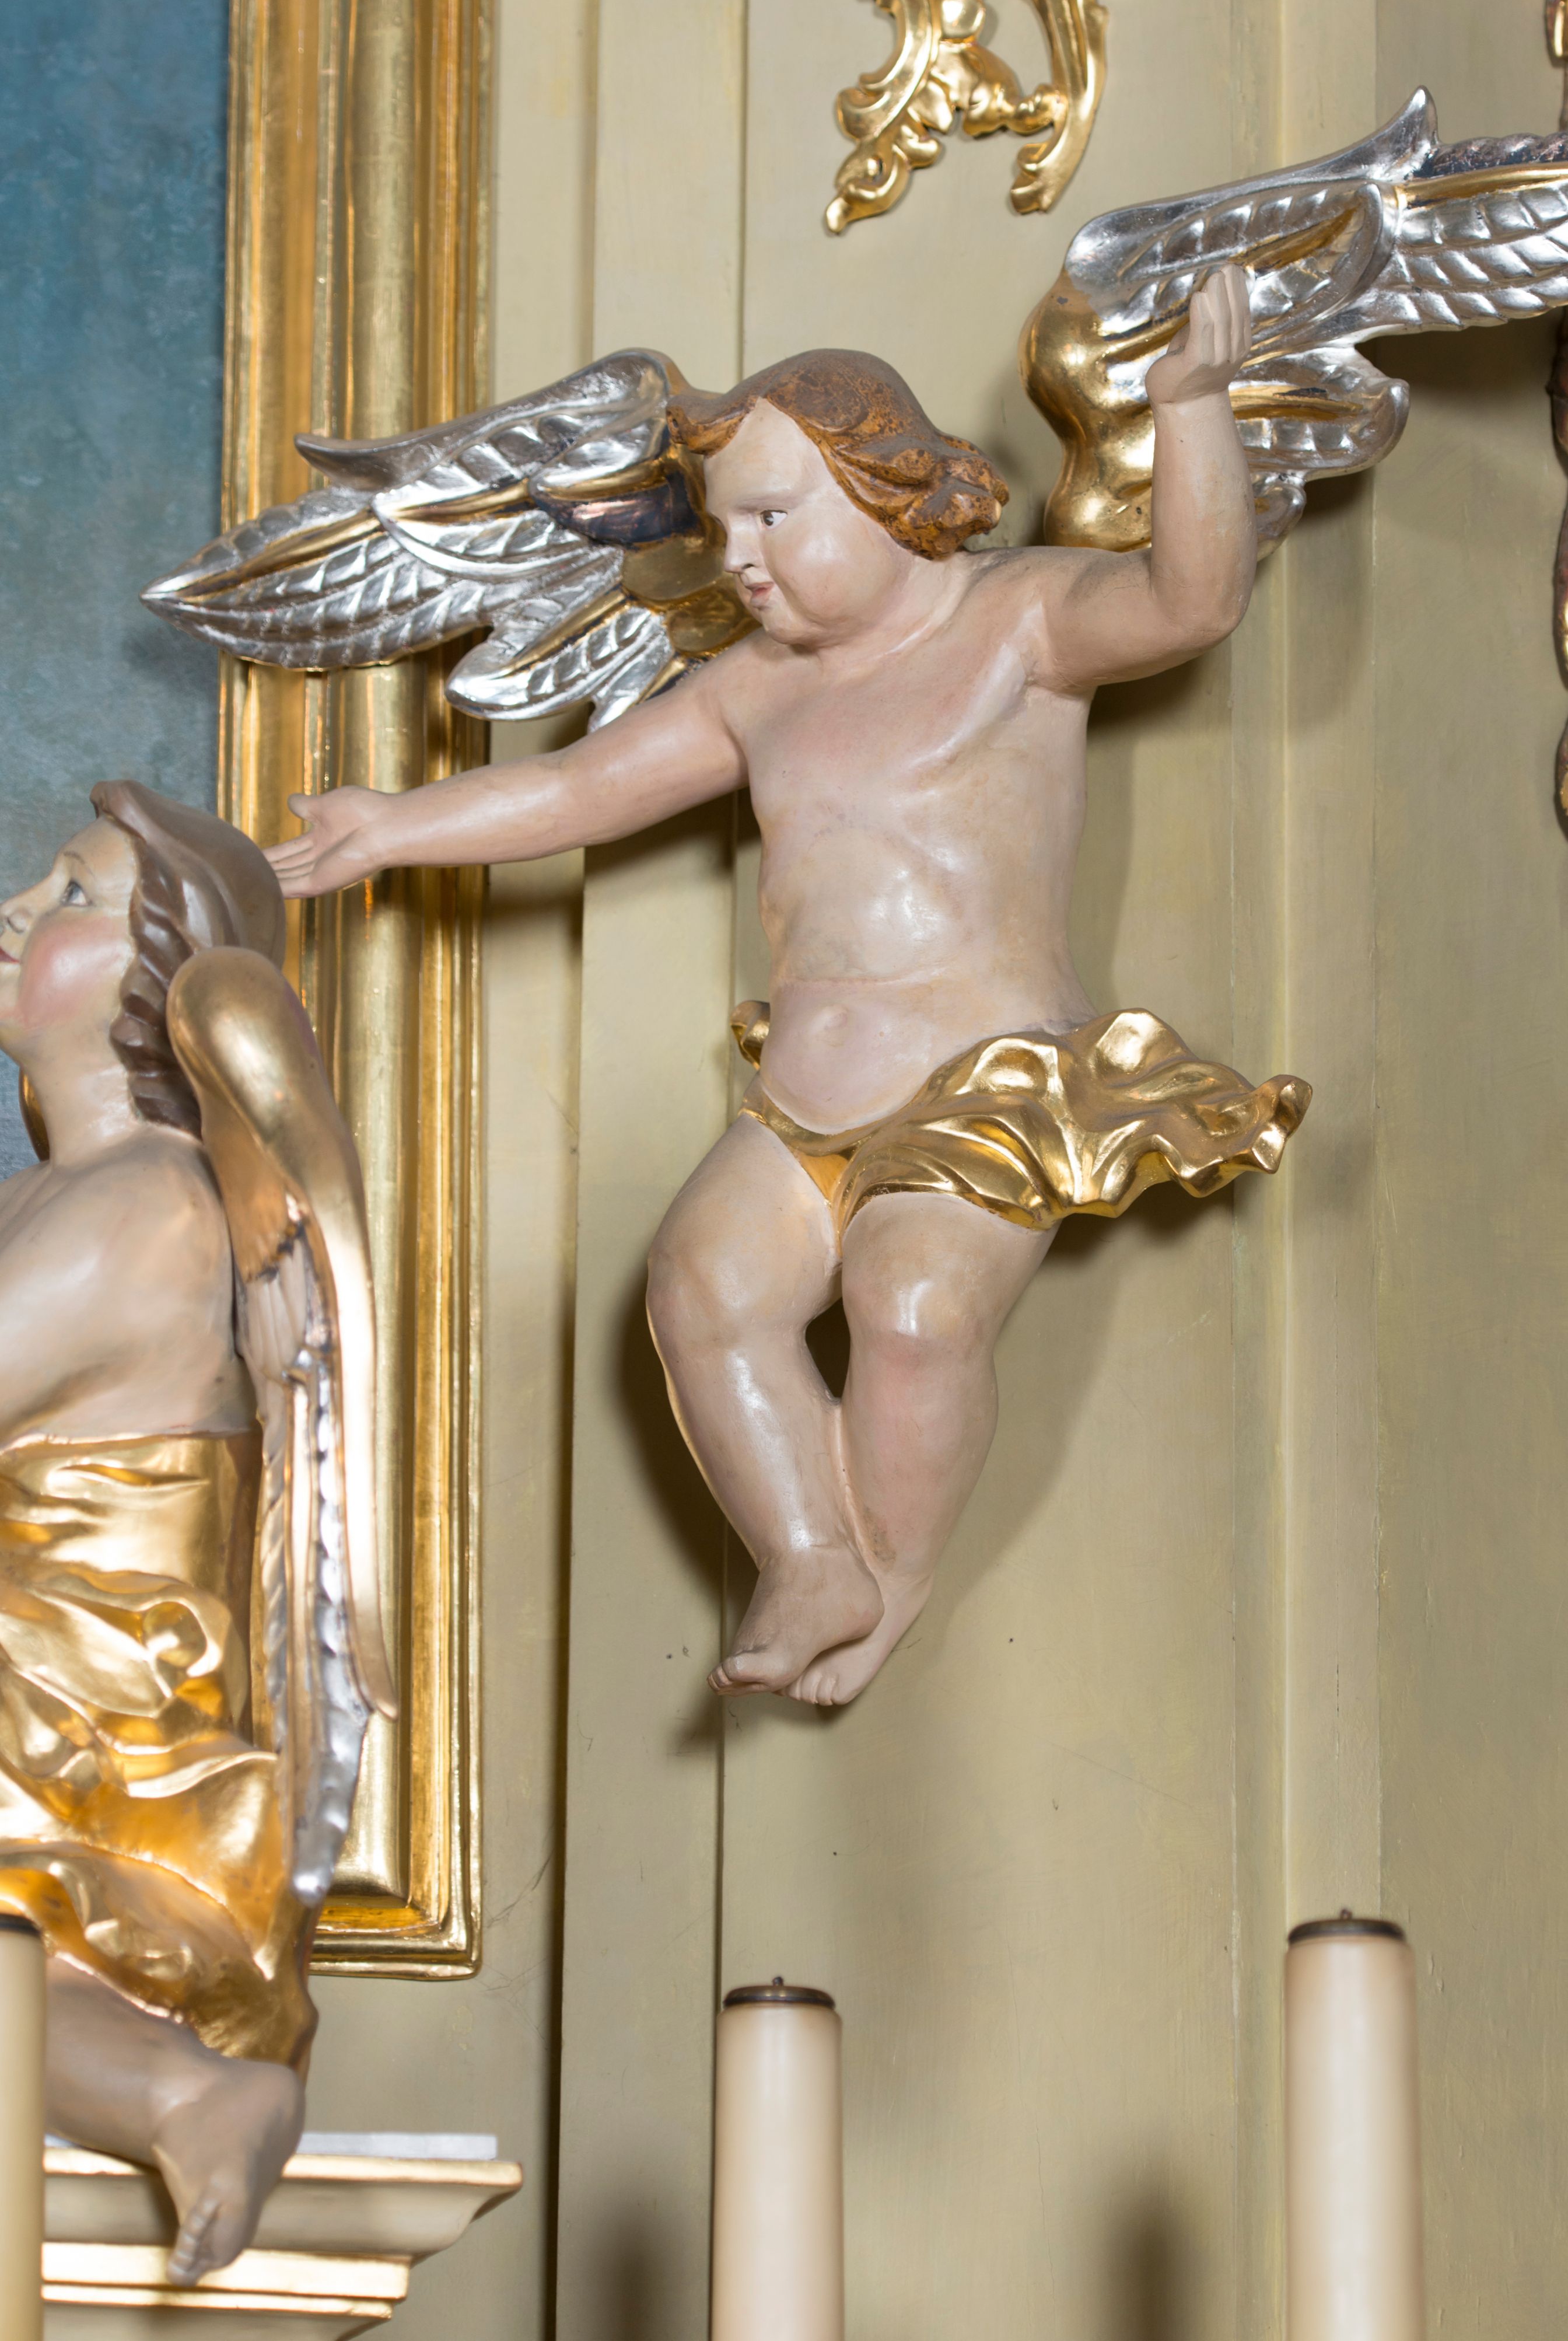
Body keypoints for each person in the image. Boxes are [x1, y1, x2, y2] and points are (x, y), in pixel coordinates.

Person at [268, 265, 1306, 1708]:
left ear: (886, 486)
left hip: (979, 1078)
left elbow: (1191, 601)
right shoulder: (760, 688)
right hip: (806, 1093)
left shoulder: (1017, 620)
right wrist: (391, 826)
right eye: (725, 530)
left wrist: (1191, 407)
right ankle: (813, 1553)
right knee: (698, 1285)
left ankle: (891, 1571)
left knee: (914, 1309)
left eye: (773, 516)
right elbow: (579, 790)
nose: (742, 561)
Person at [0, 783, 307, 2284]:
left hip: (84, 1724)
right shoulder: (53, 1198)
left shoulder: (150, 1207)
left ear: (168, 981)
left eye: (70, 895)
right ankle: (179, 2092)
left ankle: (189, 2092)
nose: (14, 910)